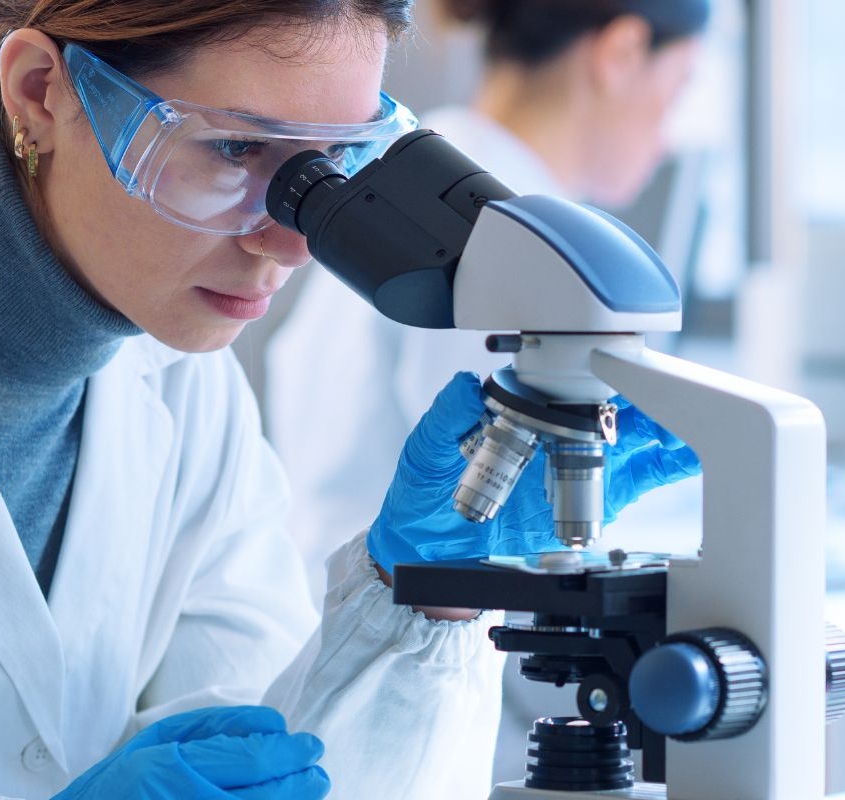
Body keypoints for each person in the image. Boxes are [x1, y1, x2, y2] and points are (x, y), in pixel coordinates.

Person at [0, 1, 698, 798]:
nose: (290, 242)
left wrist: (420, 606)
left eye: (333, 166)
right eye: (234, 150)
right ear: (41, 92)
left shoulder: (183, 386)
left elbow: (278, 764)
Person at [267, 0, 710, 591]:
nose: (668, 137)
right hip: (386, 610)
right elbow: (492, 515)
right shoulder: (504, 241)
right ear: (622, 53)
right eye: (678, 89)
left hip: (360, 602)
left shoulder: (434, 192)